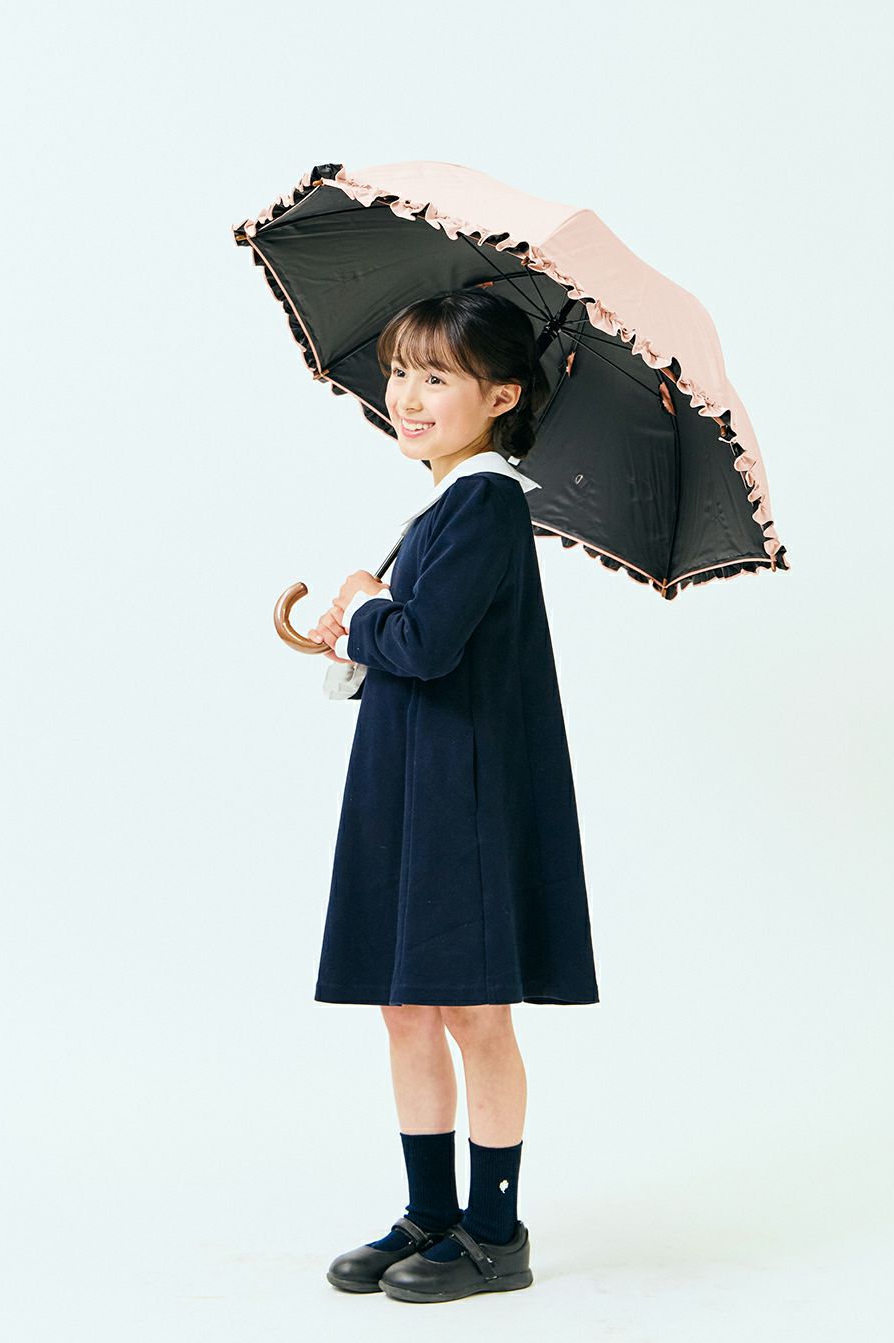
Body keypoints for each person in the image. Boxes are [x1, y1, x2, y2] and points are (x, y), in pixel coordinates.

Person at [306, 288, 600, 1305]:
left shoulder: (487, 502)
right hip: (406, 780)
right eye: (401, 372)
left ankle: (494, 1229)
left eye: (437, 377)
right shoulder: (441, 506)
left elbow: (427, 646)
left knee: (473, 1008)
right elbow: (409, 647)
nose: (407, 396)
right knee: (404, 1006)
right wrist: (360, 625)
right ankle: (429, 1211)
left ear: (502, 395)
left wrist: (367, 609)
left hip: (460, 791)